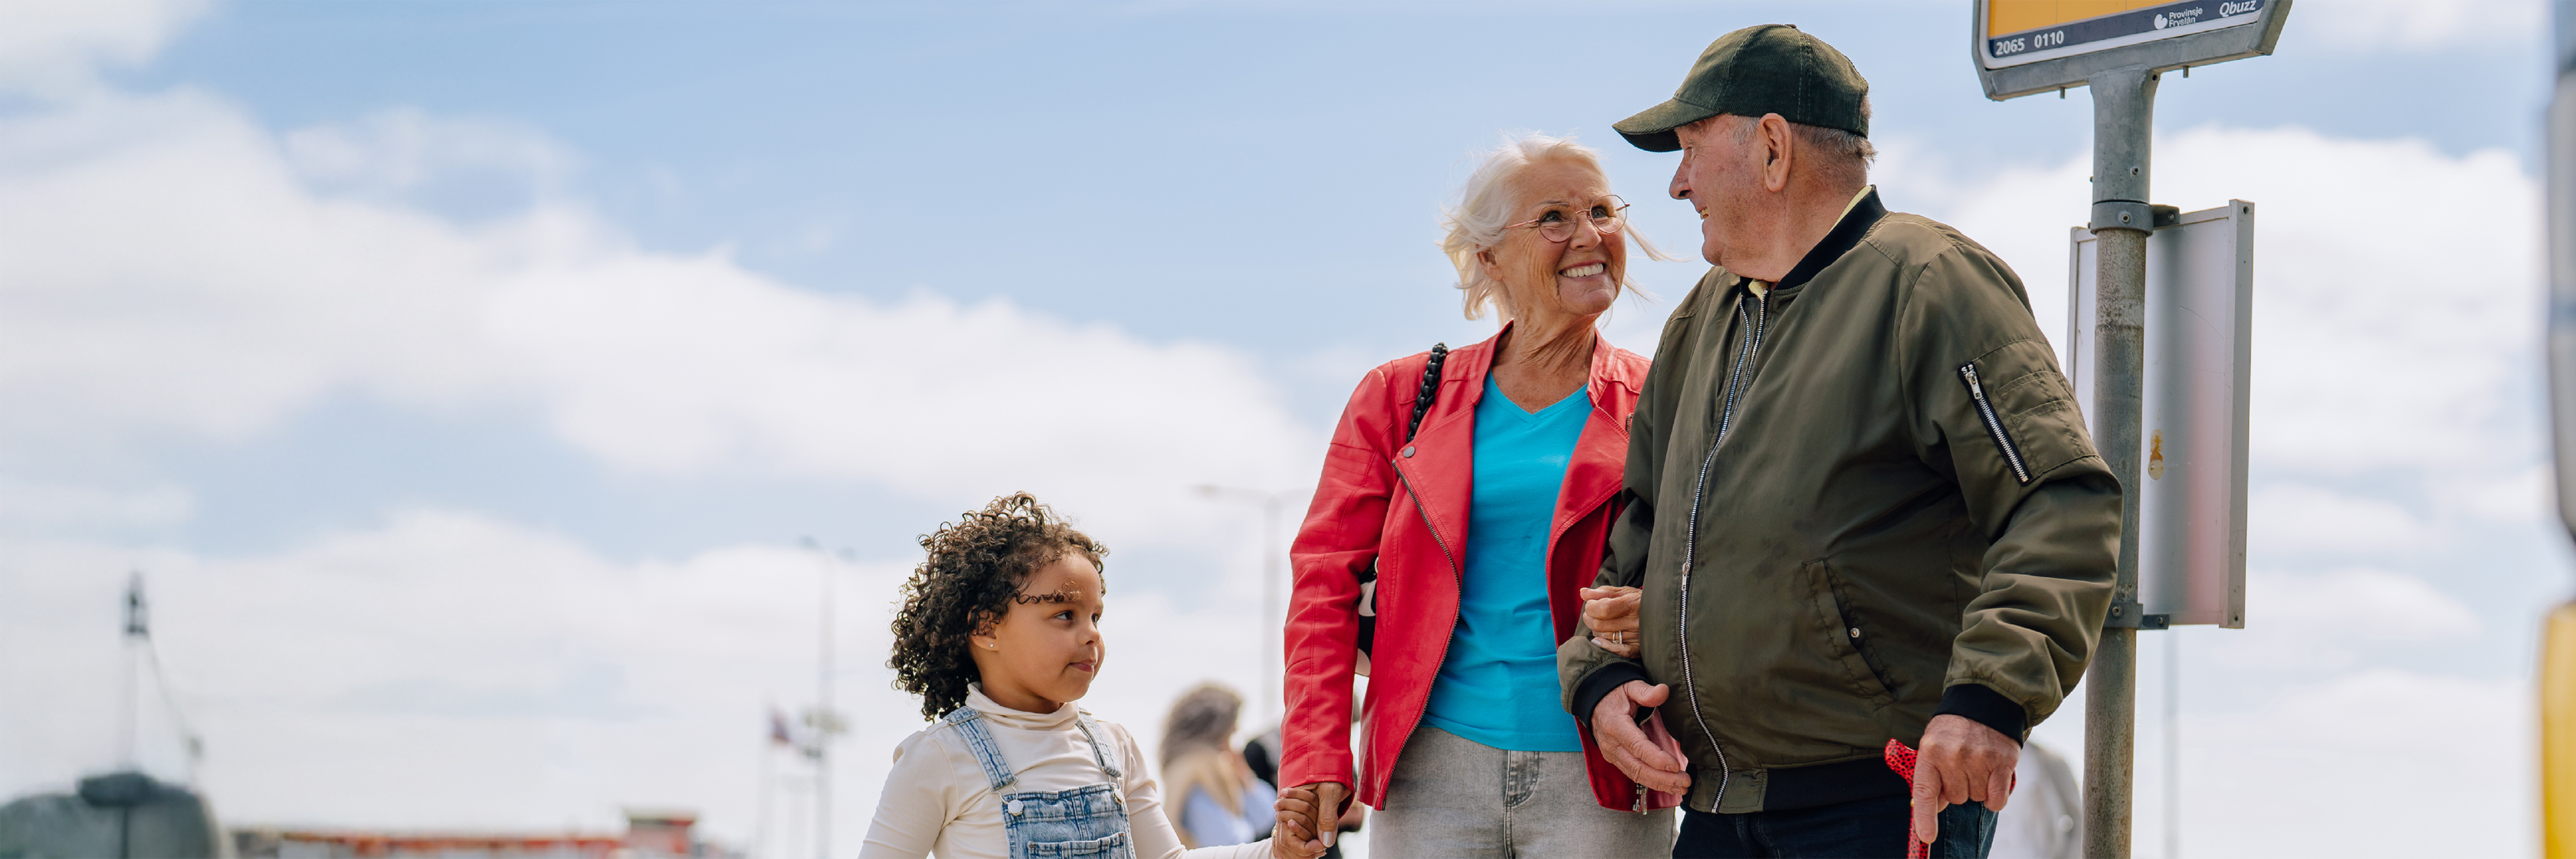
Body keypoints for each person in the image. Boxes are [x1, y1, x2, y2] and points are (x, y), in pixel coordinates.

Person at [1556, 24, 2121, 859]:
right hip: (1714, 811)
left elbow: (2059, 504)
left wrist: (1989, 698)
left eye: (1689, 152)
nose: (1676, 185)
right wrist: (1597, 680)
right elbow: (1635, 534)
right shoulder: (1699, 321)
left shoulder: (1932, 285)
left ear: (1774, 150)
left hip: (1880, 801)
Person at [1271, 133, 1677, 859]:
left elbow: (1719, 563)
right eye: (1554, 217)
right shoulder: (1396, 398)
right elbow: (1323, 586)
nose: (1589, 235)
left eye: (1601, 211)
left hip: (1604, 769)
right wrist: (1314, 758)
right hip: (1432, 774)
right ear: (1488, 258)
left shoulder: (1662, 400)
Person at [859, 492, 1297, 859]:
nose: (1091, 635)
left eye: (1096, 617)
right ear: (986, 628)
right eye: (1064, 615)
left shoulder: (1113, 747)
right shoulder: (939, 758)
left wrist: (1276, 850)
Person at [1158, 684, 1279, 849]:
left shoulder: (1208, 764)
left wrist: (1243, 774)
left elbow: (1266, 817)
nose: (1237, 729)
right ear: (1216, 727)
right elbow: (1261, 819)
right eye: (1233, 722)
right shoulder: (1194, 766)